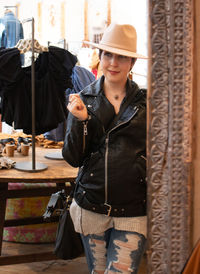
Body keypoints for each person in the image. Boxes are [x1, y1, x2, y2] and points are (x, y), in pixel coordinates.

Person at [62, 23, 147, 274]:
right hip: (91, 206)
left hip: (133, 209)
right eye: (108, 54)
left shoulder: (147, 103)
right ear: (99, 57)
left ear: (131, 62)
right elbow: (73, 157)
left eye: (121, 56)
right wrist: (81, 122)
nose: (113, 62)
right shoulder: (82, 99)